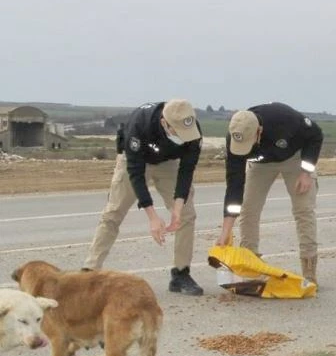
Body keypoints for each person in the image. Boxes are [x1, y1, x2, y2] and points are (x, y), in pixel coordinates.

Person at [83, 98, 205, 296]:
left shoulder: (192, 130)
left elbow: (187, 169)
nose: (184, 137)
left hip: (169, 164)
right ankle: (89, 272)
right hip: (136, 163)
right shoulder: (140, 124)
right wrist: (153, 217)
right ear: (165, 123)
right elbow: (136, 174)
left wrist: (178, 205)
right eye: (178, 133)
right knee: (113, 213)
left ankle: (181, 274)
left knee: (187, 215)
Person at [216, 102, 323, 284]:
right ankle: (251, 267)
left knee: (303, 210)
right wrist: (226, 230)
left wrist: (306, 172)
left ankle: (309, 272)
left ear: (259, 131)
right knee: (248, 210)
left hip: (294, 158)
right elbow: (234, 185)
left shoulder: (284, 119)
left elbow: (316, 135)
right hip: (260, 166)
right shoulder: (235, 138)